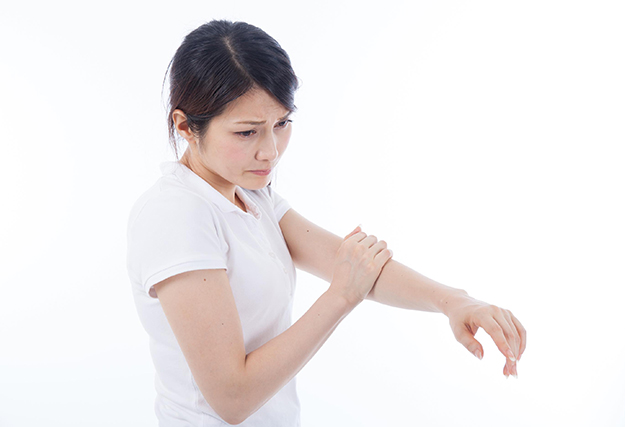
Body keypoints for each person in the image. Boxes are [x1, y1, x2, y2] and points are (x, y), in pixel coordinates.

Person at [126, 19, 527, 427]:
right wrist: (341, 297)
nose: (270, 152)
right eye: (246, 132)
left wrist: (454, 301)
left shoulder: (248, 192)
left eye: (282, 124)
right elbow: (232, 397)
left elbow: (349, 262)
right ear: (184, 125)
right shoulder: (176, 215)